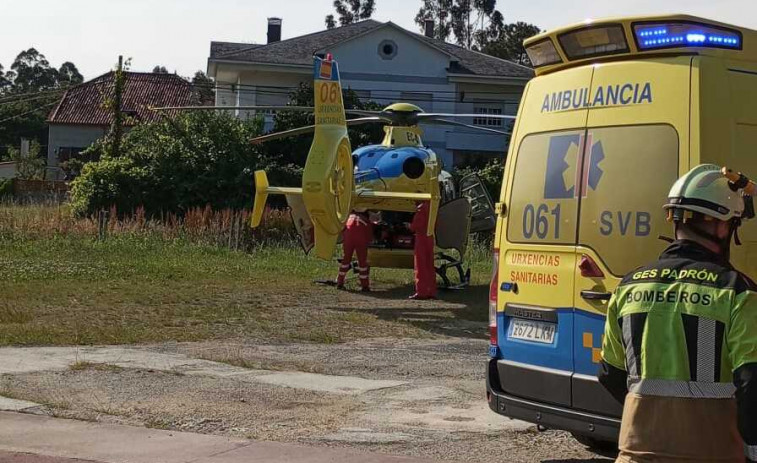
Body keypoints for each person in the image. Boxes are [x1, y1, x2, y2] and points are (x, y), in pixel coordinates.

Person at [599, 164, 757, 462]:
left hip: (636, 453)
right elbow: (752, 381)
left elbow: (610, 373)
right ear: (723, 226)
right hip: (713, 454)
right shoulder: (738, 292)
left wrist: (653, 419)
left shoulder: (628, 287)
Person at [336, 209, 372, 291]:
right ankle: (365, 286)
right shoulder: (366, 220)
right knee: (362, 262)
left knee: (345, 260)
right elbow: (369, 236)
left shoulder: (348, 217)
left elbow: (343, 230)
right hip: (361, 240)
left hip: (348, 239)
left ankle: (340, 282)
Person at [409, 201, 437, 300]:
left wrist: (409, 226)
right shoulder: (432, 206)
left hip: (421, 238)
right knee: (429, 265)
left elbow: (417, 225)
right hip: (429, 237)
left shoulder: (421, 208)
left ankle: (421, 292)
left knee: (420, 265)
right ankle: (431, 291)